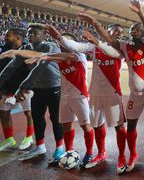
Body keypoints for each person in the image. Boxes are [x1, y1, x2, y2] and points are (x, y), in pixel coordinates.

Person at [78, 0, 144, 173]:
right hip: (134, 97)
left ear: (142, 33)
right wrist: (95, 23)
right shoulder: (124, 47)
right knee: (130, 127)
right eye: (131, 31)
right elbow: (108, 39)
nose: (133, 32)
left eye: (137, 30)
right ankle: (132, 155)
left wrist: (140, 13)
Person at [45, 24, 128, 173]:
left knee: (119, 126)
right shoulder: (92, 47)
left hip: (113, 94)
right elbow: (74, 45)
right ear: (106, 31)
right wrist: (59, 37)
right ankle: (101, 153)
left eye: (120, 32)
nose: (117, 33)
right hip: (95, 94)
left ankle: (122, 156)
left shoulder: (120, 50)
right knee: (96, 125)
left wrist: (96, 30)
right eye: (114, 30)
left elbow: (107, 49)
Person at [12, 30, 96, 168]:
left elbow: (58, 56)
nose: (62, 44)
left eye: (66, 41)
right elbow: (45, 56)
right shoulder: (58, 56)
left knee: (86, 126)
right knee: (66, 126)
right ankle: (68, 151)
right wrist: (20, 53)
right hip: (65, 97)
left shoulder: (78, 55)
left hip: (80, 97)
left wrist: (45, 56)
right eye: (61, 42)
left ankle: (89, 153)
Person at [0, 24, 64, 163]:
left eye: (35, 32)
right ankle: (40, 146)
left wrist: (23, 86)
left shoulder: (50, 46)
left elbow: (40, 67)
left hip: (54, 86)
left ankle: (60, 147)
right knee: (37, 117)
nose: (31, 35)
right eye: (29, 33)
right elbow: (10, 68)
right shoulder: (25, 48)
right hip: (37, 88)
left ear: (43, 35)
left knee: (55, 118)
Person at [0, 28, 34, 151]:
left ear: (18, 38)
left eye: (8, 35)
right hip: (6, 89)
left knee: (29, 113)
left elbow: (33, 71)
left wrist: (26, 88)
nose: (5, 37)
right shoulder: (4, 49)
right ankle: (9, 139)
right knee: (3, 113)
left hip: (24, 89)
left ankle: (29, 137)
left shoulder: (29, 50)